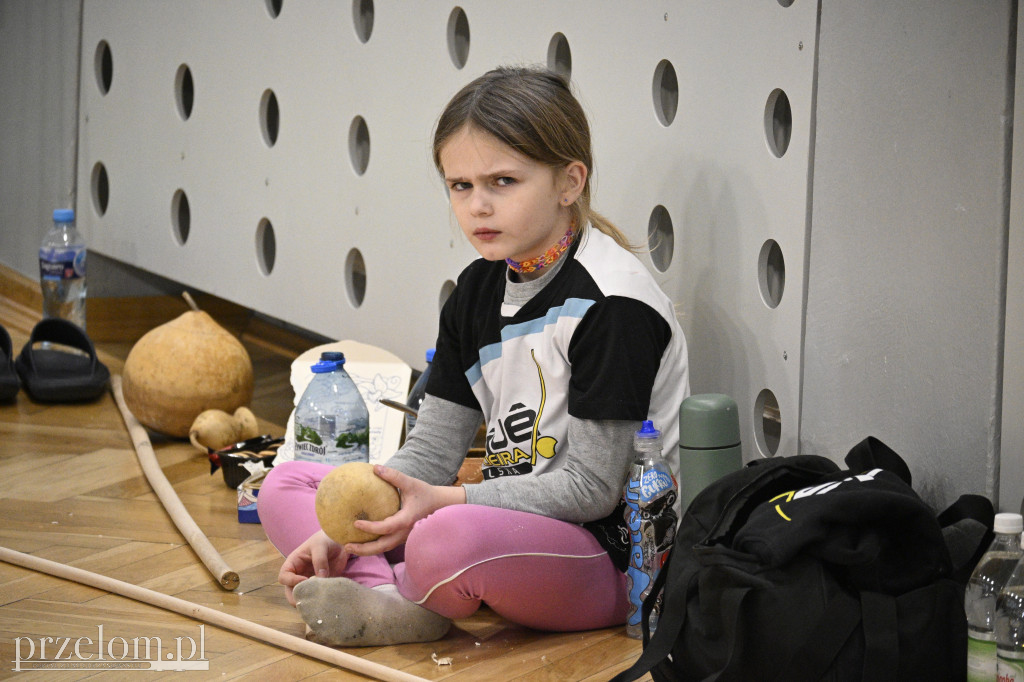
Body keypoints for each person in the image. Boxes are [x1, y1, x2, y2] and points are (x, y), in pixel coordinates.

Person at [257, 65, 690, 647]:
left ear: (569, 182)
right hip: (498, 521)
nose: (477, 206)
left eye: (503, 181)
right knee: (287, 485)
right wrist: (348, 528)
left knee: (445, 536)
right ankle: (390, 594)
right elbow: (432, 451)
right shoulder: (476, 289)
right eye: (460, 186)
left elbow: (591, 490)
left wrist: (440, 504)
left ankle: (399, 589)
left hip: (613, 560)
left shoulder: (613, 305)